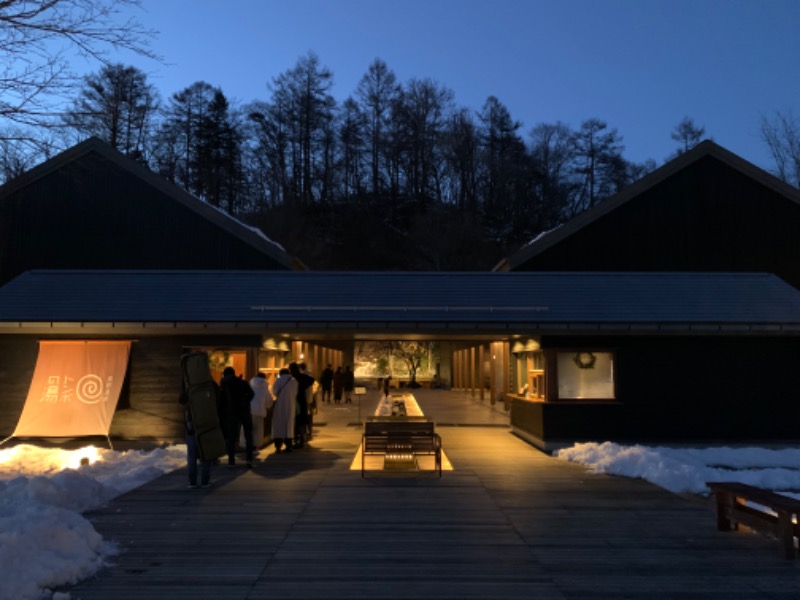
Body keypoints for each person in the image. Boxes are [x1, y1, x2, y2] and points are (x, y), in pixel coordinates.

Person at [179, 386, 216, 488]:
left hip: (192, 423)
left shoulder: (191, 386)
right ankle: (205, 480)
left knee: (192, 455)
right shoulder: (209, 386)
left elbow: (182, 400)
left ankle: (192, 481)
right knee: (206, 452)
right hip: (206, 422)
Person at [220, 366, 255, 468]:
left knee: (231, 436)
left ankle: (231, 459)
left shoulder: (224, 383)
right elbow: (252, 394)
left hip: (231, 413)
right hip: (244, 412)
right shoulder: (243, 383)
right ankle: (249, 459)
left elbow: (222, 399)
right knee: (248, 435)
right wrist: (245, 402)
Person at [271, 368, 297, 453]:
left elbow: (274, 392)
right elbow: (296, 393)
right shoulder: (294, 381)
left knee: (278, 425)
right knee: (289, 425)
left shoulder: (278, 380)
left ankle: (278, 446)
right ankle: (288, 445)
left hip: (280, 405)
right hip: (291, 405)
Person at [289, 362, 314, 448]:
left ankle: (295, 439)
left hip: (293, 400)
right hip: (302, 400)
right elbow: (312, 380)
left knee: (294, 420)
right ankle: (302, 439)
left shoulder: (290, 378)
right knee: (302, 420)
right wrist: (304, 387)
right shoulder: (302, 376)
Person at [246, 372, 271, 450]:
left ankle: (247, 445)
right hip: (259, 411)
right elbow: (269, 401)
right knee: (258, 431)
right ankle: (255, 446)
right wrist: (266, 406)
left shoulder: (250, 385)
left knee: (248, 429)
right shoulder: (264, 387)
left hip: (249, 410)